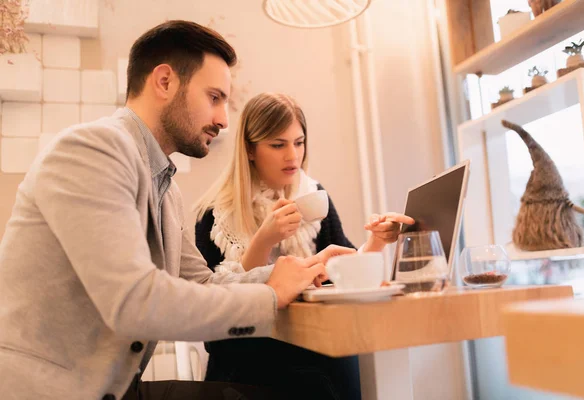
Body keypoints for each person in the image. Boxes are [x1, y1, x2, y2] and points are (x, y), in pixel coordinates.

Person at [0, 21, 354, 400]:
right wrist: (270, 295)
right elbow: (135, 301)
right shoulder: (93, 150)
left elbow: (200, 284)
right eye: (214, 97)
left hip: (118, 389)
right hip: (52, 392)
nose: (223, 119)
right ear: (165, 81)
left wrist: (292, 273)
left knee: (312, 388)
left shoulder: (166, 189)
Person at [195, 92, 415, 399]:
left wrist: (377, 240)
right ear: (249, 149)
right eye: (277, 144)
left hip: (311, 348)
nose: (292, 156)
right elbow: (214, 320)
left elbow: (344, 272)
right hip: (244, 359)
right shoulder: (215, 215)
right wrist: (264, 240)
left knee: (342, 357)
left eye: (298, 142)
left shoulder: (313, 197)